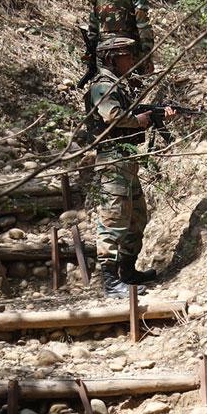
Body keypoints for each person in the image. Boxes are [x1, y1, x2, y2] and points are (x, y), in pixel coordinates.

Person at [87, 37, 175, 298]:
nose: (131, 60)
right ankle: (111, 281)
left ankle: (127, 271)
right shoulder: (102, 85)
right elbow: (112, 116)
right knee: (113, 220)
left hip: (125, 160)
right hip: (112, 161)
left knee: (136, 217)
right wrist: (141, 120)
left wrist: (155, 115)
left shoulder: (117, 85)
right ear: (112, 57)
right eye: (126, 55)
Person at [87, 0, 155, 76]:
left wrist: (91, 54)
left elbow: (92, 30)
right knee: (142, 83)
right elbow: (143, 25)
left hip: (102, 51)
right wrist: (147, 53)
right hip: (128, 50)